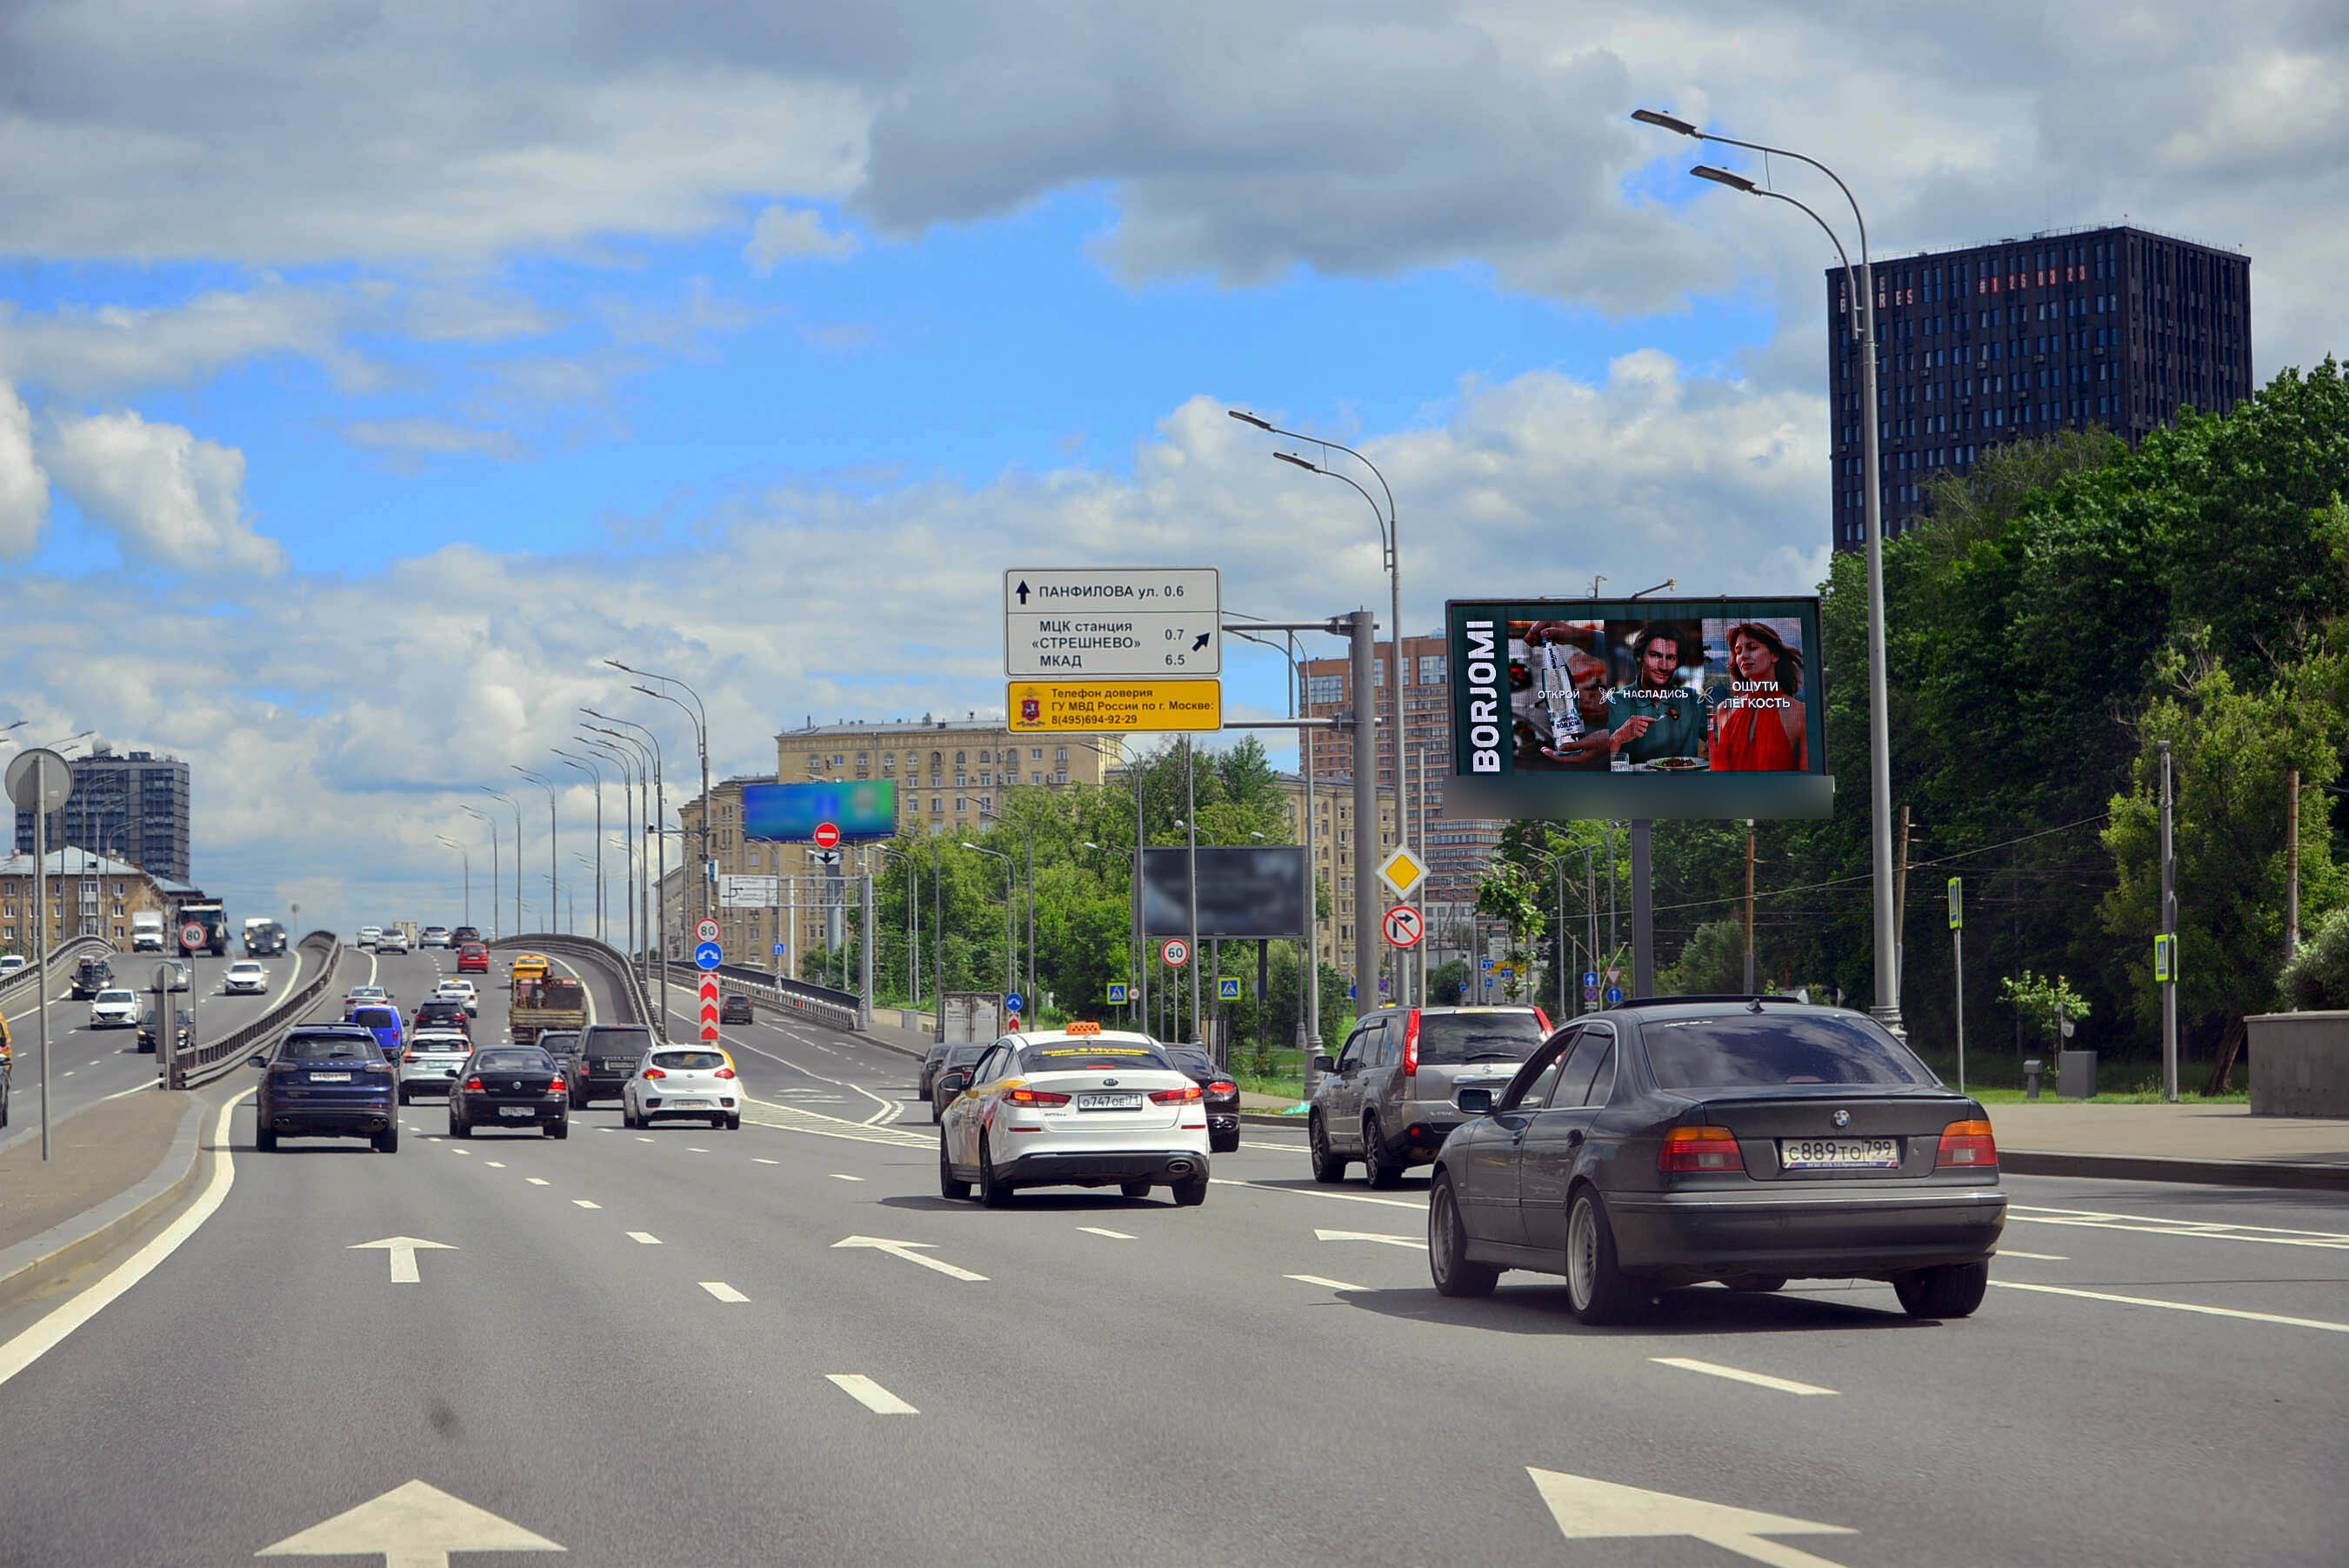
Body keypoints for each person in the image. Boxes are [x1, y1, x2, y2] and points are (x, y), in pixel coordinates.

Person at [1600, 624, 1709, 767]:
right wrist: (1618, 738)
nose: (1663, 666)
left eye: (1670, 658)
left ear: (1678, 662)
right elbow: (1598, 766)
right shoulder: (1615, 703)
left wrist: (1716, 743)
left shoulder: (1692, 699)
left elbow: (1720, 739)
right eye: (1655, 655)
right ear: (1639, 657)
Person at [1711, 622, 1808, 771]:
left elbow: (1808, 783)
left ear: (1774, 655)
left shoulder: (1801, 713)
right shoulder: (1725, 709)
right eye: (1738, 651)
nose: (1743, 656)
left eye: (1752, 648)